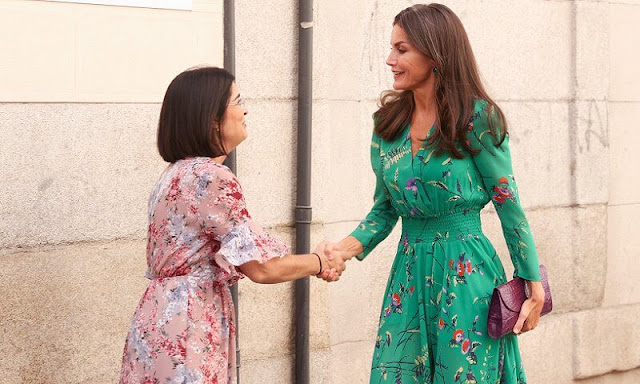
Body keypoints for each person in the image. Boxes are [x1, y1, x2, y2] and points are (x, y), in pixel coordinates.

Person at [322, 4, 544, 383]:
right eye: (392, 48)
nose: (390, 59)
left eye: (402, 49)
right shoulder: (386, 125)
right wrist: (341, 250)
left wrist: (532, 282)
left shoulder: (476, 117)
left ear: (435, 53)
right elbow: (384, 210)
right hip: (408, 275)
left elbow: (509, 204)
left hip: (466, 272)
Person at [119, 66, 345, 383]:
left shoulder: (172, 176)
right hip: (189, 327)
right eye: (237, 101)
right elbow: (262, 268)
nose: (245, 109)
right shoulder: (211, 178)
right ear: (212, 118)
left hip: (157, 325)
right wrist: (320, 261)